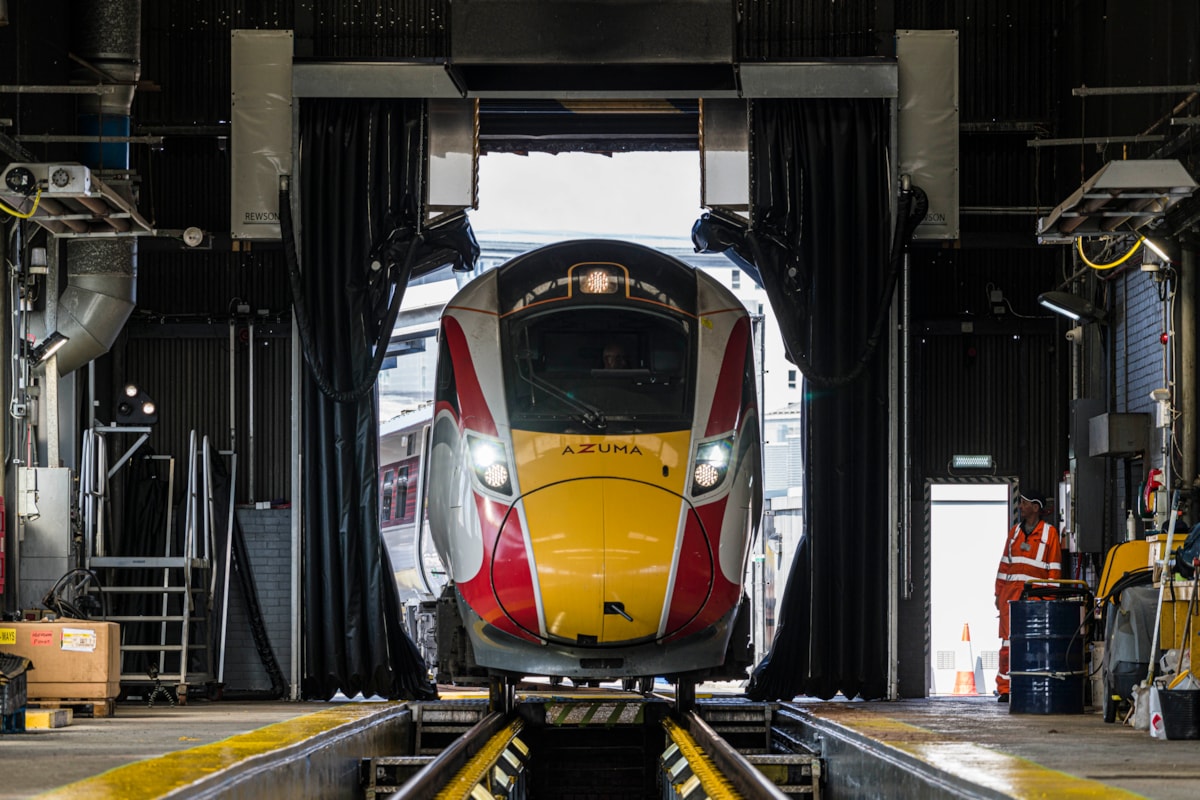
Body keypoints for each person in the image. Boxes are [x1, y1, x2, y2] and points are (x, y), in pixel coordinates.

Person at [994, 488, 1061, 702]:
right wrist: (998, 594)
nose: (1020, 506)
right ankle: (1005, 688)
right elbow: (1004, 566)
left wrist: (1049, 601)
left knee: (1036, 644)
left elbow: (1054, 570)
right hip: (1010, 598)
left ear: (1035, 507)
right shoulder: (1014, 532)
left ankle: (1032, 686)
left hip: (1037, 599)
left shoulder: (1050, 533)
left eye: (1024, 503)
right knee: (1007, 645)